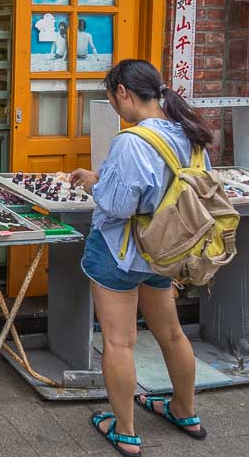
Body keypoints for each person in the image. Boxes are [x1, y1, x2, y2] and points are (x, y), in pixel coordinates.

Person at [67, 59, 211, 456]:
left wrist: (96, 189)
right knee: (171, 333)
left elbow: (118, 205)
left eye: (113, 99)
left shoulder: (132, 141)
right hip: (164, 252)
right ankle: (185, 410)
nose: (115, 106)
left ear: (124, 94)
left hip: (120, 252)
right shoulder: (189, 133)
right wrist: (101, 176)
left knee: (119, 341)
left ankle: (126, 431)